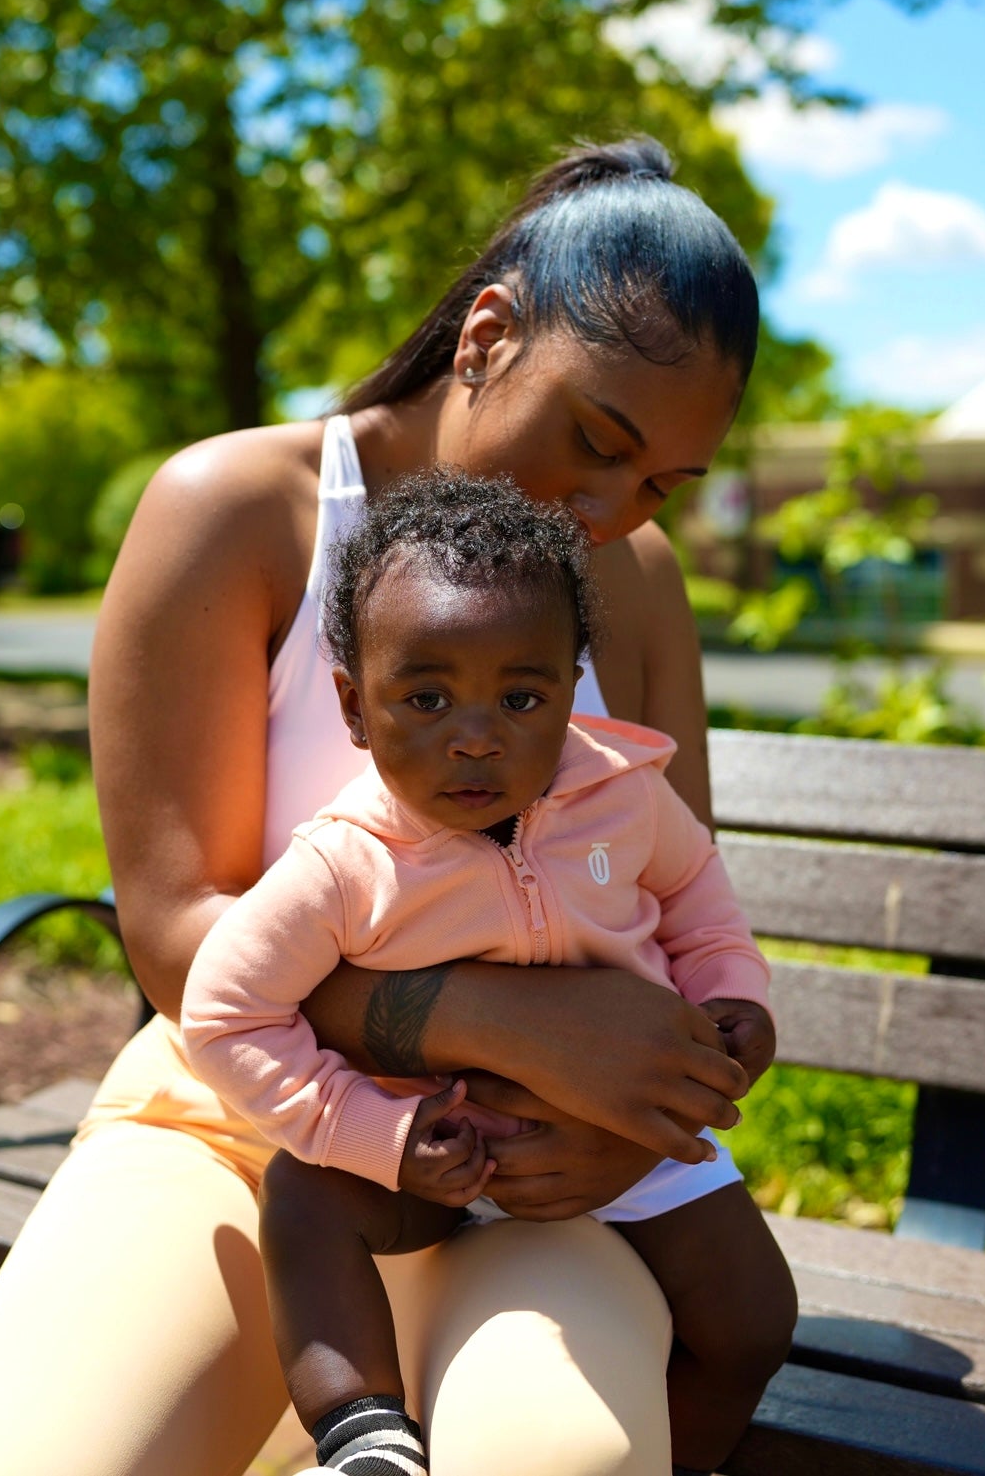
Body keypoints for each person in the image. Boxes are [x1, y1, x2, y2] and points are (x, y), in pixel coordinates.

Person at [0, 136, 796, 1476]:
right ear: (490, 334)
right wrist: (507, 1020)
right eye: (598, 440)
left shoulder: (640, 581)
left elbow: (675, 903)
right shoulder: (240, 511)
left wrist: (627, 1128)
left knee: (566, 1460)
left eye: (661, 482)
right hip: (246, 1131)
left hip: (536, 1188)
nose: (612, 510)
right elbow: (175, 933)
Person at [181, 468, 774, 1476]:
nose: (476, 732)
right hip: (435, 1154)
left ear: (570, 688)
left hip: (625, 1133)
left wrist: (736, 999)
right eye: (425, 695)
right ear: (355, 707)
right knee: (305, 1199)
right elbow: (226, 1015)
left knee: (756, 1320)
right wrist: (377, 1134)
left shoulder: (621, 796)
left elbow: (698, 899)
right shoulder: (343, 862)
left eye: (522, 695)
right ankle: (362, 1433)